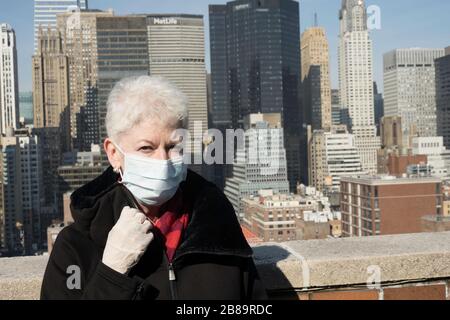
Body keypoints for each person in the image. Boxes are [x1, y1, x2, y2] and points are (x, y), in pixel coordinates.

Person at [40, 76, 267, 300]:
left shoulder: (217, 226)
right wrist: (111, 273)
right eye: (146, 148)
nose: (163, 160)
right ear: (113, 153)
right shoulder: (76, 246)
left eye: (173, 146)